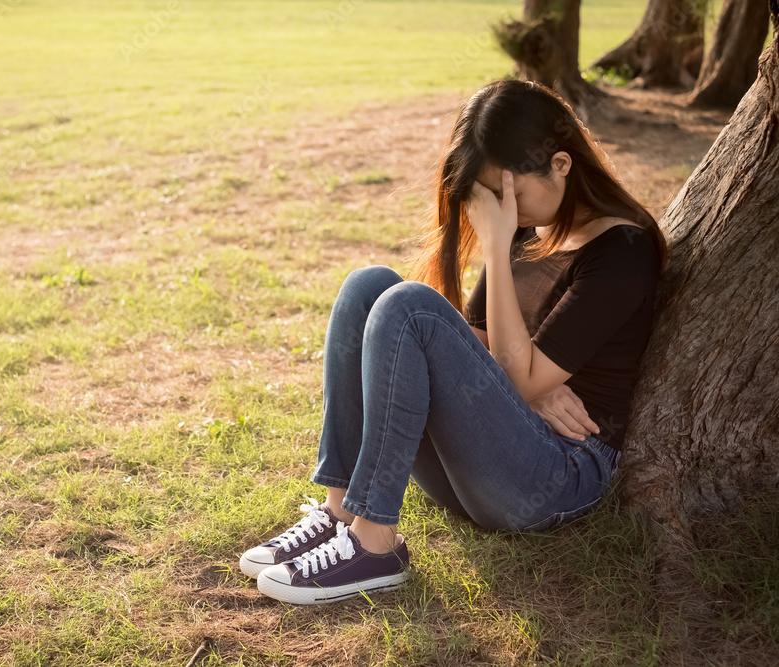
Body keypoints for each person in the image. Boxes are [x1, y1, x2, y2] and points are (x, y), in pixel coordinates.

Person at [239, 77, 668, 605]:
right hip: (489, 458)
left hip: (555, 474)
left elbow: (513, 371)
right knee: (369, 286)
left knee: (410, 306)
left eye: (512, 194)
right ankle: (341, 513)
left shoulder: (622, 249)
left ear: (561, 164)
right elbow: (484, 352)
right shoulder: (524, 225)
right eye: (492, 199)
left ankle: (375, 547)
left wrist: (525, 374)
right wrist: (531, 387)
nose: (505, 211)